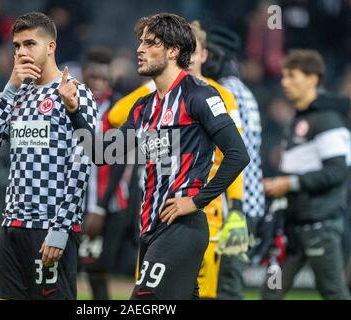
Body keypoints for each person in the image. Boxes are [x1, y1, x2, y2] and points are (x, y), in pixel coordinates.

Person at [63, 13, 249, 300]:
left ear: (173, 51)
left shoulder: (200, 96)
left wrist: (196, 200)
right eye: (140, 42)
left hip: (182, 229)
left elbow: (238, 155)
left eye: (150, 43)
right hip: (149, 230)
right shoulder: (143, 107)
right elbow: (101, 154)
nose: (139, 49)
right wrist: (75, 111)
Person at [0, 12, 97, 300]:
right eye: (17, 46)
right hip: (12, 226)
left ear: (51, 47)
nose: (21, 52)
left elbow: (83, 164)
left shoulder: (76, 93)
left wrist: (61, 228)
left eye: (30, 44)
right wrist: (9, 89)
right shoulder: (18, 93)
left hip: (49, 227)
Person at [262, 49, 351, 300]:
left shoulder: (328, 120)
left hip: (320, 227)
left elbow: (338, 171)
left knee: (334, 294)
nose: (284, 82)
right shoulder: (297, 120)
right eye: (284, 76)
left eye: (292, 76)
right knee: (270, 293)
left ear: (313, 79)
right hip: (292, 228)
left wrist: (289, 183)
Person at [202, 26, 266, 300]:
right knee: (227, 285)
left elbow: (233, 155)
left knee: (226, 287)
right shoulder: (242, 90)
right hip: (246, 203)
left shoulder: (226, 92)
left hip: (234, 206)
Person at [78, 46, 133, 300]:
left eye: (104, 78)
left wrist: (99, 207)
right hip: (74, 201)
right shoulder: (72, 103)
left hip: (110, 204)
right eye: (94, 77)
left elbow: (121, 161)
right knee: (68, 269)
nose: (99, 83)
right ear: (85, 75)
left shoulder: (121, 108)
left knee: (97, 269)